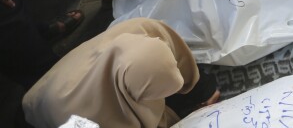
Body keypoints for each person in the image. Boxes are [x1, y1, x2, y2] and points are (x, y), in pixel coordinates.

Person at [23, 18, 220, 128]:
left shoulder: (142, 29)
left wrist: (203, 92)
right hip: (48, 109)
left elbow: (179, 62)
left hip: (110, 81)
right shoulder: (79, 118)